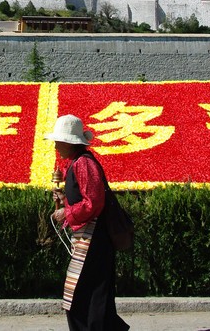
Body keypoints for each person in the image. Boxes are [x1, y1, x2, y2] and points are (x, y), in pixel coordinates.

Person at [46, 114, 129, 331]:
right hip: (89, 240)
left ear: (69, 142)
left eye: (58, 141)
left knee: (84, 297)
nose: (55, 145)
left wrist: (67, 212)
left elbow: (93, 203)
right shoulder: (77, 163)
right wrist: (65, 200)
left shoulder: (84, 164)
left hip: (95, 241)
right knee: (89, 297)